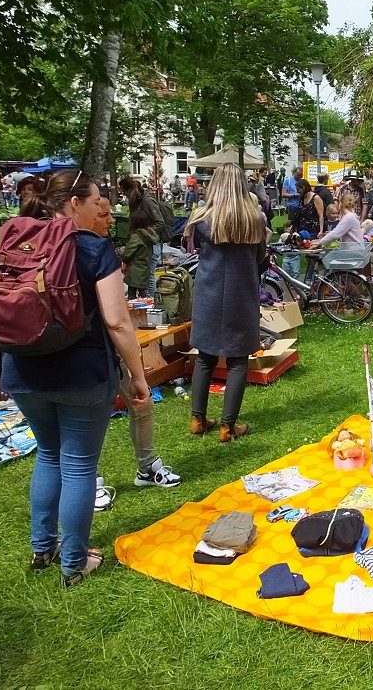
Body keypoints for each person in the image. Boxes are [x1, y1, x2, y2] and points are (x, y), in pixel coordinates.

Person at [0, 170, 150, 586]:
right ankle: (74, 563)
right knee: (77, 466)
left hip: (21, 370)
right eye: (97, 204)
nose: (102, 213)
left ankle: (44, 549)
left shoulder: (14, 242)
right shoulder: (94, 249)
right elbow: (117, 321)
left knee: (48, 454)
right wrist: (138, 374)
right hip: (82, 374)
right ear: (74, 203)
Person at [87, 196, 181, 496]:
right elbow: (116, 320)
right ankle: (91, 480)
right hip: (88, 354)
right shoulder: (86, 251)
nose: (111, 220)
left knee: (142, 403)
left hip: (109, 348)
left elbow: (116, 319)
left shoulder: (98, 249)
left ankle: (147, 466)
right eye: (103, 215)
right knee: (89, 420)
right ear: (78, 209)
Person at [185, 163, 267, 442]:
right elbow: (259, 258)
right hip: (240, 294)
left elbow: (198, 251)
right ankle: (227, 426)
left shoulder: (201, 218)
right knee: (237, 360)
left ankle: (198, 419)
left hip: (208, 293)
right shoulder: (255, 218)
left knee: (205, 357)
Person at [119, 177, 166, 296]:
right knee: (141, 280)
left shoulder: (148, 201)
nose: (125, 195)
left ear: (130, 190)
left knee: (149, 277)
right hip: (139, 242)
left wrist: (145, 234)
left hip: (149, 243)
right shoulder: (133, 201)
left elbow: (160, 222)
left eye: (124, 192)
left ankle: (153, 308)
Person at [121, 210, 159, 298]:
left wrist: (122, 253)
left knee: (132, 294)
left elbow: (128, 253)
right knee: (143, 292)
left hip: (134, 271)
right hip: (144, 268)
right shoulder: (149, 236)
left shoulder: (136, 237)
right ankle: (148, 308)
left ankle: (136, 311)